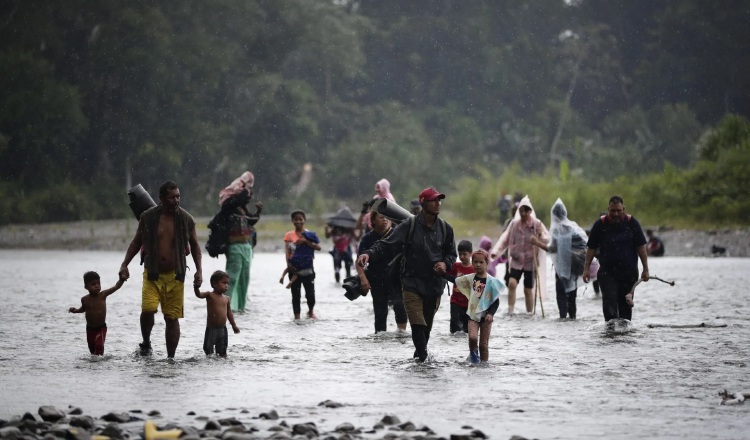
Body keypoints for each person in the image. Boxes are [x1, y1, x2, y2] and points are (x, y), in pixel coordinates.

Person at [357, 187, 457, 362]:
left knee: (426, 329)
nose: (437, 203)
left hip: (434, 285)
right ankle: (424, 361)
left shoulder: (446, 229)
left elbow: (451, 253)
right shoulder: (408, 226)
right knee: (417, 324)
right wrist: (369, 254)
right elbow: (386, 244)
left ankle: (419, 359)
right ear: (423, 204)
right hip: (411, 283)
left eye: (439, 200)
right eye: (433, 200)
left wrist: (445, 263)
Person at [119, 181, 202, 358]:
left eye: (178, 196)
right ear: (161, 199)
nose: (176, 200)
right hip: (152, 274)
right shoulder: (148, 217)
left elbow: (195, 246)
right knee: (148, 309)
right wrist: (124, 264)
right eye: (172, 197)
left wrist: (199, 270)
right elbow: (136, 242)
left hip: (176, 276)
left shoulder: (186, 219)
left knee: (172, 318)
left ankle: (170, 358)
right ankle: (146, 342)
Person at [583, 195, 649, 322]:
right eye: (613, 211)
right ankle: (611, 335)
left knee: (625, 309)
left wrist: (646, 269)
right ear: (608, 209)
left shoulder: (632, 223)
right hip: (607, 273)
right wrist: (586, 269)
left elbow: (641, 247)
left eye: (619, 211)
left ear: (623, 209)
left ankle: (624, 337)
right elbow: (591, 248)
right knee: (610, 307)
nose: (616, 214)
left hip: (629, 274)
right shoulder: (600, 224)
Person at [490, 196, 549, 315]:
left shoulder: (536, 224)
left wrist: (540, 236)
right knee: (512, 283)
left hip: (530, 261)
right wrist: (496, 252)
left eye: (525, 211)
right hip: (516, 260)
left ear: (530, 211)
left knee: (528, 289)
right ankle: (510, 310)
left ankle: (529, 313)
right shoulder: (514, 224)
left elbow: (547, 239)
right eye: (521, 211)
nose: (523, 213)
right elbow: (505, 239)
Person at [530, 199, 587, 319]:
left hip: (561, 269)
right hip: (573, 269)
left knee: (561, 296)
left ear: (554, 215)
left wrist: (537, 242)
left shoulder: (557, 231)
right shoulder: (574, 228)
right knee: (572, 297)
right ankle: (572, 319)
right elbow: (585, 246)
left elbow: (552, 249)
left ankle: (563, 320)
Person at [356, 211, 408, 333]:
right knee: (380, 313)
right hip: (377, 279)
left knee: (400, 309)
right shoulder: (367, 239)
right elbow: (359, 261)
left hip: (397, 279)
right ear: (373, 220)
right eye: (381, 217)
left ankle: (401, 336)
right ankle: (380, 340)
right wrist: (363, 279)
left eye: (387, 218)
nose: (385, 220)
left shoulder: (397, 235)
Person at [218, 171, 262, 313]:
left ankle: (241, 307)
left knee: (245, 278)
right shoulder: (229, 209)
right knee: (232, 277)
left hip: (246, 247)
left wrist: (258, 212)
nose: (248, 197)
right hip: (234, 247)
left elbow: (252, 220)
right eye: (246, 194)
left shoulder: (243, 210)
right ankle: (224, 306)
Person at [453, 250, 504, 363]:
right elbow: (456, 281)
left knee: (484, 345)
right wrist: (442, 274)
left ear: (487, 263)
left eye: (481, 262)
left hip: (486, 318)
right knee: (472, 338)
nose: (478, 265)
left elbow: (495, 301)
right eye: (475, 262)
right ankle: (473, 355)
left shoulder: (491, 282)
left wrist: (491, 314)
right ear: (472, 262)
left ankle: (484, 366)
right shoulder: (470, 279)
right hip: (473, 315)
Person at [68, 271, 126, 355]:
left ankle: (100, 366)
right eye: (93, 284)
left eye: (98, 283)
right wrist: (76, 310)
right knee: (92, 350)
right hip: (89, 329)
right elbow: (84, 309)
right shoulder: (84, 299)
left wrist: (121, 280)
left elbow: (116, 286)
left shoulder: (103, 295)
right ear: (86, 287)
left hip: (101, 328)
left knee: (99, 346)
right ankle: (94, 366)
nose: (97, 286)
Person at [283, 210, 321, 320]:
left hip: (308, 268)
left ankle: (310, 311)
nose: (298, 222)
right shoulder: (289, 235)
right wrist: (288, 265)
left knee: (310, 294)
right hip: (294, 269)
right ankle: (297, 317)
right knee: (295, 294)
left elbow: (318, 247)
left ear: (304, 220)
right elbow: (287, 252)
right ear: (292, 221)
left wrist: (305, 242)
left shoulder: (310, 234)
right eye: (296, 219)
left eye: (300, 219)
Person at [194, 270, 239, 357]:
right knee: (208, 351)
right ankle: (210, 366)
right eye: (223, 283)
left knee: (222, 352)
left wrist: (234, 325)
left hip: (222, 329)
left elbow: (229, 313)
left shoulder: (227, 298)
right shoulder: (210, 295)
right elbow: (199, 295)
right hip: (211, 329)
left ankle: (221, 366)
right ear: (214, 284)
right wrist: (196, 287)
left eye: (227, 283)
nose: (226, 285)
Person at [447, 240, 475, 334]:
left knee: (466, 329)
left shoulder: (474, 269)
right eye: (460, 254)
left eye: (464, 254)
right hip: (455, 301)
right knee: (454, 328)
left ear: (471, 253)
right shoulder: (456, 266)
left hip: (468, 303)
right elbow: (446, 273)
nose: (462, 257)